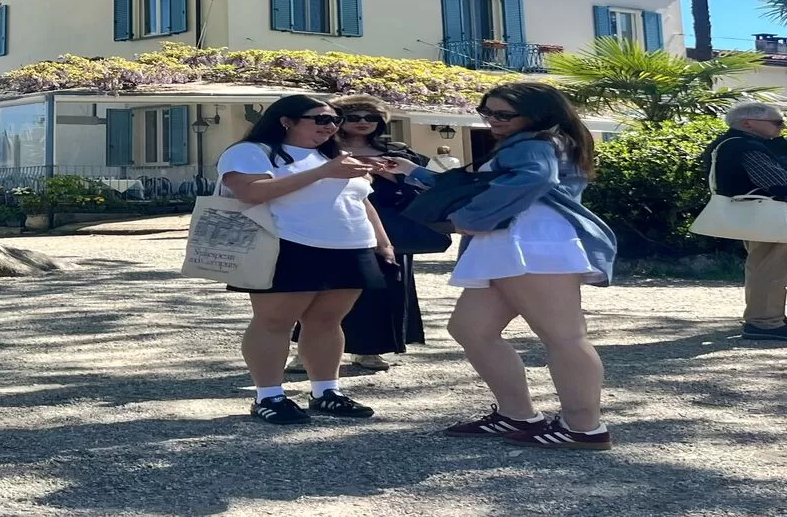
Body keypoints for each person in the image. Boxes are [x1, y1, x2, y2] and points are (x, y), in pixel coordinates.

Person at [387, 83, 617, 451]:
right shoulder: (539, 141)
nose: (492, 120)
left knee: (563, 337)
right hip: (518, 241)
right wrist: (415, 173)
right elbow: (491, 184)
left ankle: (583, 427)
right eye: (487, 112)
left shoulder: (534, 143)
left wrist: (470, 217)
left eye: (503, 114)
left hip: (530, 241)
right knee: (471, 328)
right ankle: (518, 414)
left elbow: (533, 179)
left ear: (538, 114)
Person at [218, 94, 392, 425]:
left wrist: (383, 242)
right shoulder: (252, 151)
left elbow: (362, 201)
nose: (331, 127)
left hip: (351, 245)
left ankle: (327, 391)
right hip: (289, 244)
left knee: (327, 321)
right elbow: (250, 192)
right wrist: (326, 172)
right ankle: (269, 396)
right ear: (287, 121)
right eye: (321, 119)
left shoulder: (333, 155)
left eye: (335, 121)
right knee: (275, 322)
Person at [286, 94, 433, 373]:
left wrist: (393, 177)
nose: (363, 122)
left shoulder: (397, 151)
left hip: (390, 228)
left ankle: (370, 349)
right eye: (354, 117)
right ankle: (306, 352)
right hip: (332, 225)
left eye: (371, 117)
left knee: (382, 289)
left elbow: (420, 190)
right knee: (322, 290)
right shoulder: (322, 150)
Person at [703, 102, 787, 341]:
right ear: (748, 123)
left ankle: (767, 318)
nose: (782, 127)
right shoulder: (745, 146)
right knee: (771, 269)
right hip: (771, 215)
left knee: (764, 267)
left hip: (759, 215)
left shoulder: (734, 144)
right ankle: (764, 323)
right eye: (777, 122)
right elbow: (778, 182)